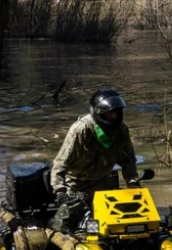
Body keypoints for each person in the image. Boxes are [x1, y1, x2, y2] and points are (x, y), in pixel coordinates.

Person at [49, 88, 140, 232]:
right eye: (111, 113)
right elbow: (60, 164)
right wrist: (61, 191)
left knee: (125, 218)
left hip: (103, 182)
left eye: (117, 112)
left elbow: (128, 160)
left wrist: (133, 183)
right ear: (100, 113)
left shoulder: (121, 131)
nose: (115, 116)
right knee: (61, 225)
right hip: (76, 185)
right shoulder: (81, 130)